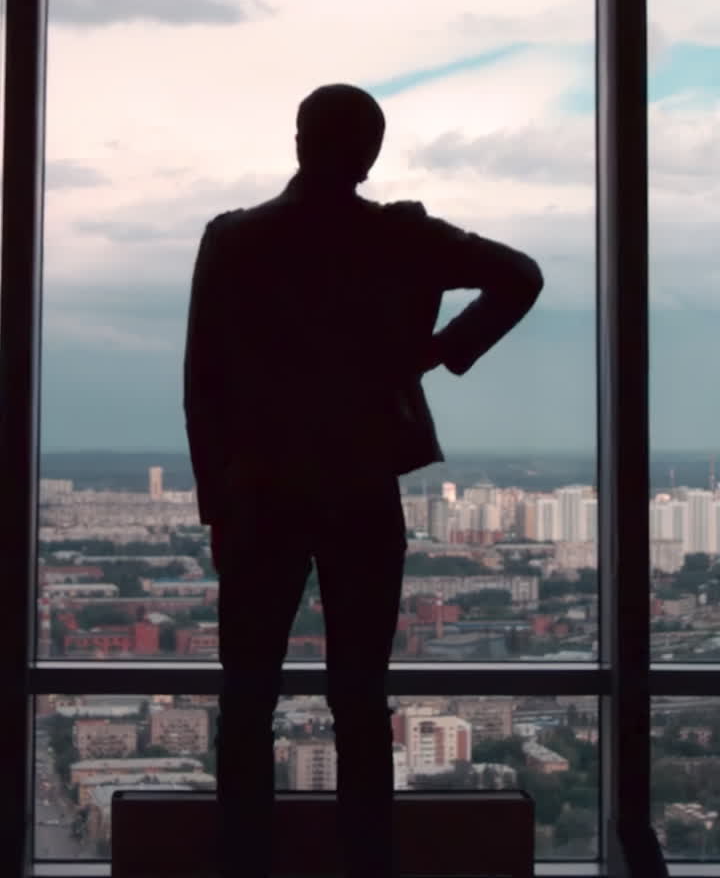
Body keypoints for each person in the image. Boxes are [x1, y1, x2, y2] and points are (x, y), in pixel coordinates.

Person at [183, 83, 543, 878]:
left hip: (262, 490)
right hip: (359, 486)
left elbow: (202, 382)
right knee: (358, 696)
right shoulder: (401, 238)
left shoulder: (236, 239)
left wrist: (218, 504)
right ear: (370, 153)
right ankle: (365, 863)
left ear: (299, 140)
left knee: (245, 698)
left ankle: (241, 861)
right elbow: (521, 276)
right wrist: (438, 352)